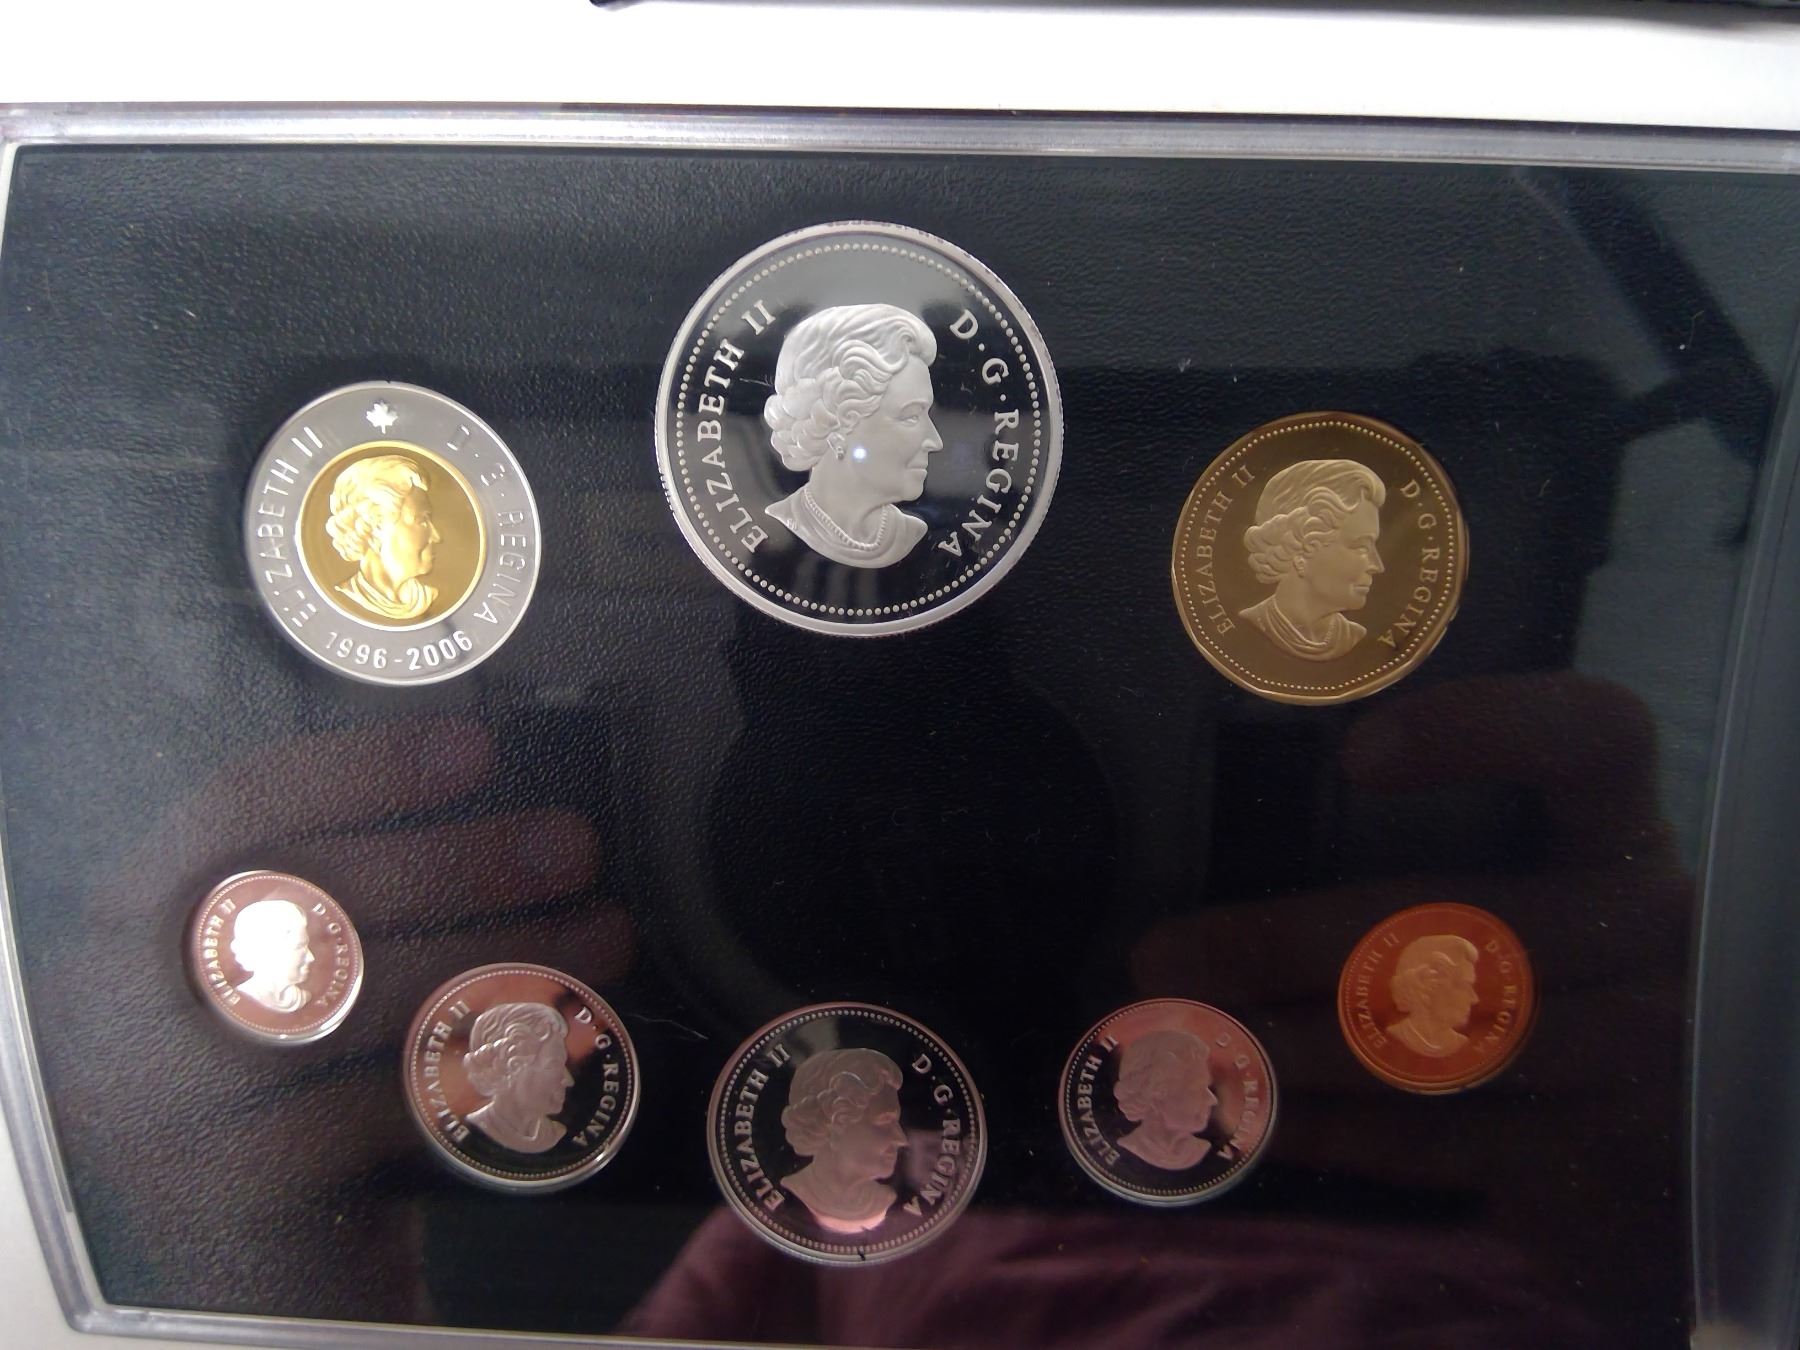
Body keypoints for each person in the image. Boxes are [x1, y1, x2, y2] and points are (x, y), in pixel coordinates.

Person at [763, 304, 943, 568]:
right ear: (839, 426)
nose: (935, 442)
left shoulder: (913, 533)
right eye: (911, 416)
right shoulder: (777, 531)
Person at [1239, 459, 1386, 661]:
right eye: (1361, 546)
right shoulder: (1250, 625)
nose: (1377, 566)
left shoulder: (1354, 636)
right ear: (1303, 549)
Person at [779, 1048, 908, 1232]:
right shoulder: (795, 1193)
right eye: (886, 1122)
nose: (901, 1139)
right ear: (837, 1123)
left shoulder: (886, 1199)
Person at [324, 453, 442, 620]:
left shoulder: (427, 598)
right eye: (422, 520)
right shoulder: (345, 598)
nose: (436, 536)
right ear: (377, 526)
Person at [462, 1002, 573, 1153]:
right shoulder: (477, 1128)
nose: (568, 1080)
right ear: (513, 1066)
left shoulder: (555, 1134)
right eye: (553, 1065)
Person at [1113, 1030, 1217, 1171]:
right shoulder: (1131, 1149)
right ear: (1157, 1095)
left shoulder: (1203, 1150)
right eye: (1196, 1089)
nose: (1212, 1100)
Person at [1387, 934, 1480, 1058]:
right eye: (1463, 986)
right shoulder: (1395, 1036)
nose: (1474, 999)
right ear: (1428, 986)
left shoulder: (1461, 1043)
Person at [229, 898, 315, 1013]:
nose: (311, 957)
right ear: (268, 951)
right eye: (299, 947)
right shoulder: (244, 999)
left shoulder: (301, 998)